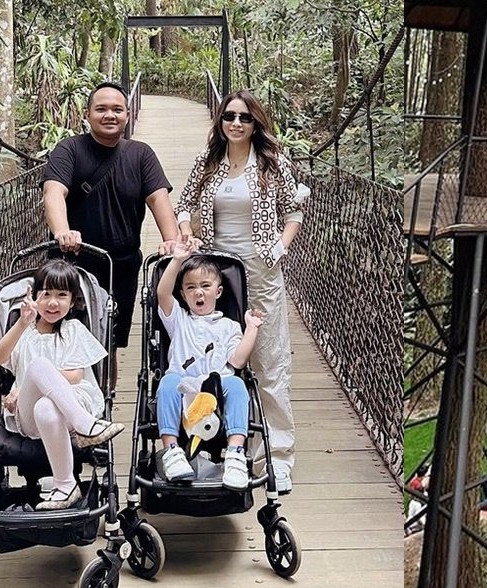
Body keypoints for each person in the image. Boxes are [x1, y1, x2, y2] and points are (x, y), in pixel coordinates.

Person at [175, 90, 308, 493]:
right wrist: (186, 234)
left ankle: (275, 457)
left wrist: (280, 248)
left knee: (269, 363)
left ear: (256, 124)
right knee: (222, 358)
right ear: (220, 120)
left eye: (244, 118)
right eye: (229, 116)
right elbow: (183, 205)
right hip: (216, 274)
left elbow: (294, 210)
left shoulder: (272, 162)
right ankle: (222, 444)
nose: (236, 123)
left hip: (261, 271)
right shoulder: (208, 160)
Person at [0, 260, 125, 510]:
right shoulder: (24, 332)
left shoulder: (74, 329)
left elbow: (75, 376)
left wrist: (28, 385)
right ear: (34, 296)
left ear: (73, 300)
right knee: (39, 371)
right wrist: (22, 323)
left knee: (46, 404)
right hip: (29, 418)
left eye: (62, 295)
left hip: (72, 403)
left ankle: (66, 486)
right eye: (46, 295)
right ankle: (86, 426)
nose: (53, 303)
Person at [41, 81, 180, 360]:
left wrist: (172, 241)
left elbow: (158, 199)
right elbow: (53, 190)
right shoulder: (69, 150)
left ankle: (104, 401)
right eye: (101, 109)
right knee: (60, 339)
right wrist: (62, 231)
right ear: (87, 114)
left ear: (127, 115)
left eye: (117, 109)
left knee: (107, 349)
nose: (110, 115)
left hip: (120, 269)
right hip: (73, 264)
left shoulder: (141, 155)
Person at [154, 243, 264, 490]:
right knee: (168, 381)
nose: (198, 293)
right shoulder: (179, 320)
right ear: (182, 294)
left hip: (218, 387)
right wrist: (177, 260)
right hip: (185, 385)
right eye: (191, 288)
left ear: (219, 291)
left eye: (205, 286)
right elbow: (162, 294)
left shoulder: (229, 326)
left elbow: (237, 361)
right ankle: (172, 451)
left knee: (237, 383)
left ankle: (235, 453)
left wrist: (252, 328)